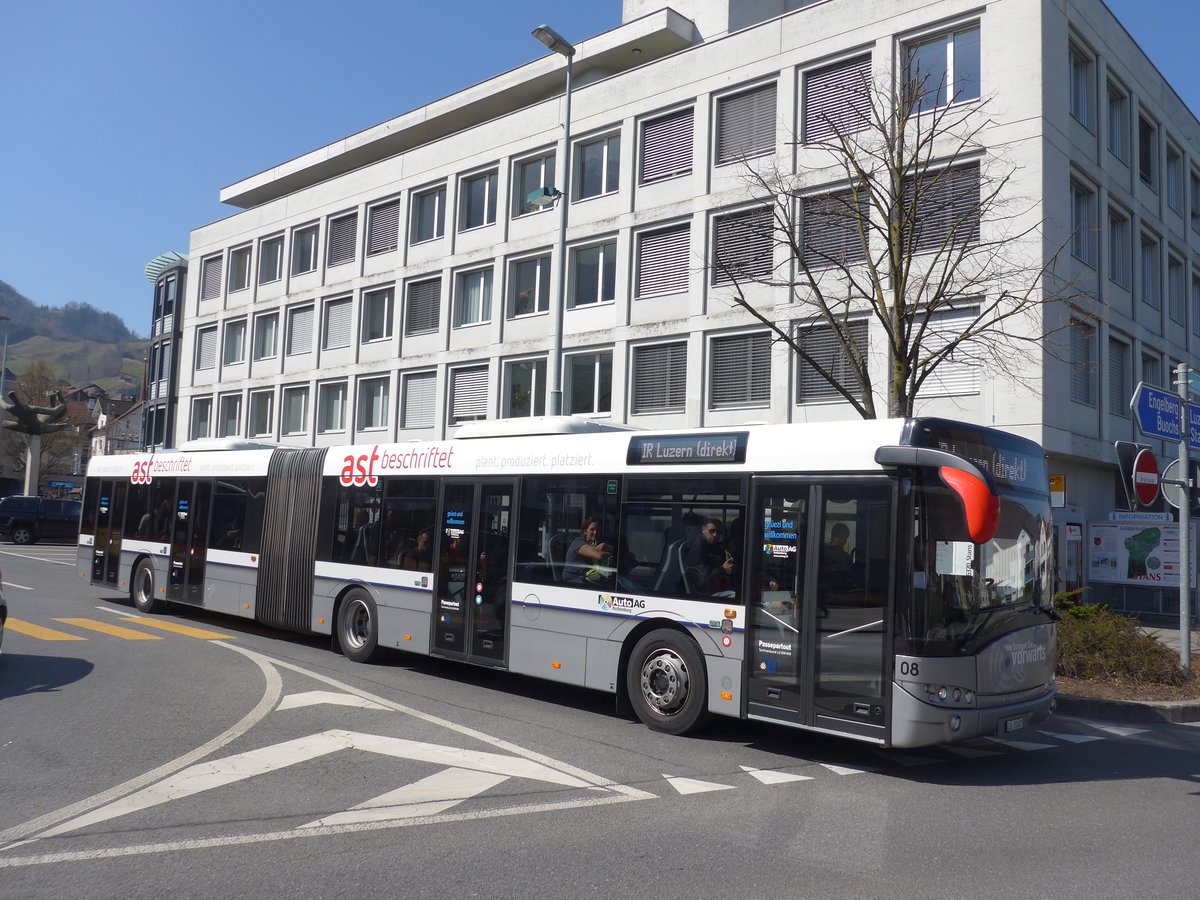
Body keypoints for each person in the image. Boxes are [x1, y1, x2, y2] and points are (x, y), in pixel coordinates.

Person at [683, 517, 735, 596]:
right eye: (712, 531)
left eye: (718, 532)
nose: (715, 535)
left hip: (719, 586)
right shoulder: (697, 550)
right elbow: (702, 582)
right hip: (704, 594)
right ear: (703, 530)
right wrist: (722, 569)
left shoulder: (718, 549)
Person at [563, 517, 612, 585]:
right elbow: (598, 555)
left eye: (598, 530)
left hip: (587, 578)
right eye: (592, 529)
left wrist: (606, 546)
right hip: (573, 581)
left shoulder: (594, 544)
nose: (595, 532)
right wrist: (610, 552)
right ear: (585, 531)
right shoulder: (578, 543)